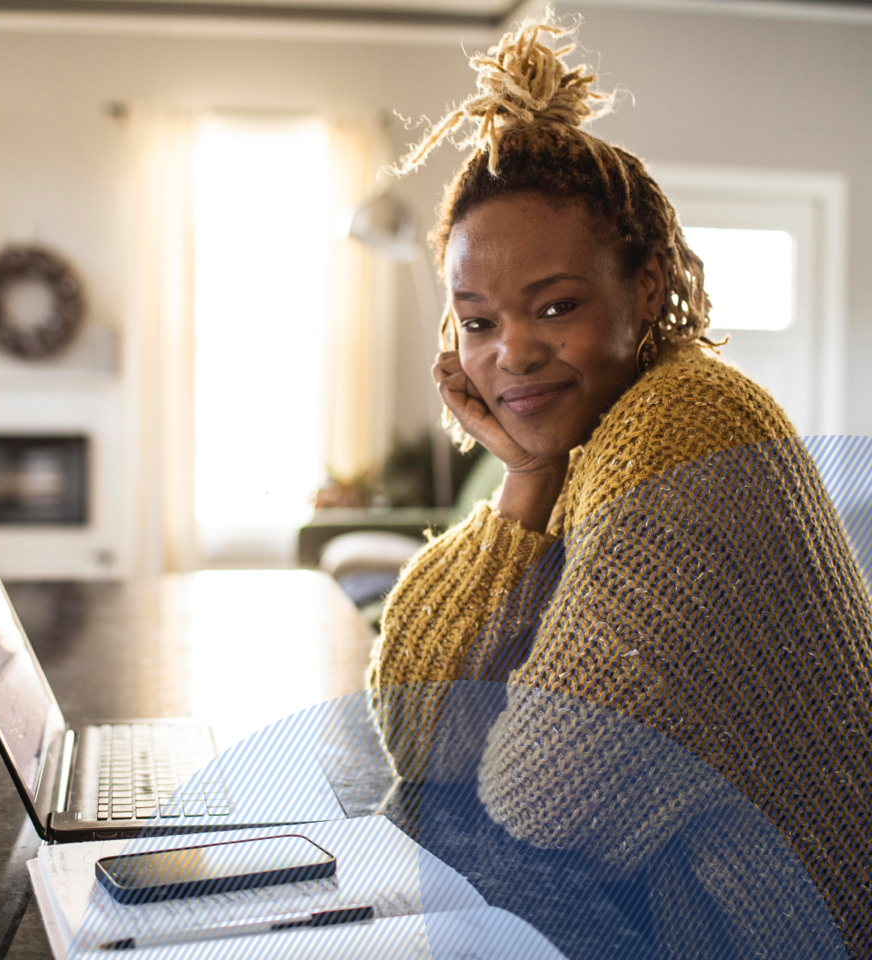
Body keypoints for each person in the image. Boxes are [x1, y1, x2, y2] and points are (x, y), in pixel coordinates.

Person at [367, 12, 872, 960]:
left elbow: (539, 794)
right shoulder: (585, 443)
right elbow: (422, 732)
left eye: (555, 306)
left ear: (644, 290)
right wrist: (523, 478)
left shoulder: (683, 424)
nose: (511, 352)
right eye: (477, 322)